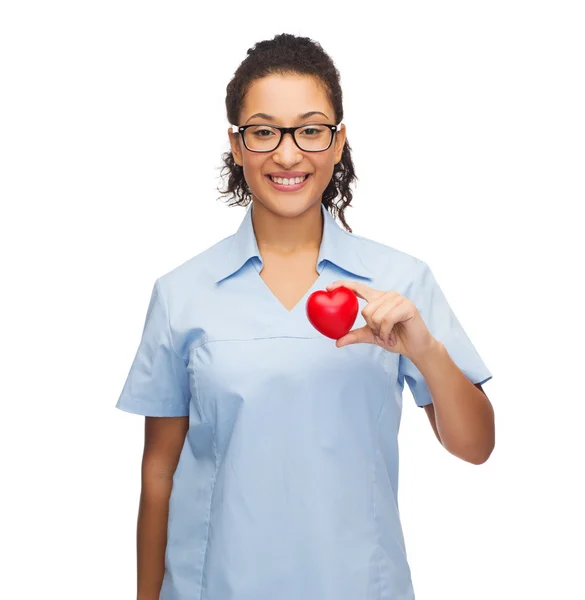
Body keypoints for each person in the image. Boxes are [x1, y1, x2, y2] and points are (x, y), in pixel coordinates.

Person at [116, 33, 495, 600]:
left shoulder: (401, 282)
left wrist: (425, 350)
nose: (288, 154)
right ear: (237, 145)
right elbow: (157, 477)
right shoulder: (182, 294)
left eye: (310, 130)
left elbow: (475, 447)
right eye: (264, 131)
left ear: (338, 142)